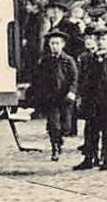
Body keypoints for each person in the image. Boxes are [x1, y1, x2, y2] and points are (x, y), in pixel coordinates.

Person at [73, 26, 107, 171]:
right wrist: (81, 95)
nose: (101, 42)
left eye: (104, 39)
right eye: (98, 39)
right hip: (91, 98)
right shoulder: (88, 57)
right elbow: (83, 77)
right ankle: (89, 157)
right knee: (90, 129)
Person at [26, 30, 77, 161]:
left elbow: (74, 78)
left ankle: (60, 139)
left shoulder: (68, 60)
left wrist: (72, 92)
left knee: (66, 126)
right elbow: (38, 78)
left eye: (57, 43)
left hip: (65, 98)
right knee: (54, 124)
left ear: (63, 44)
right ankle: (55, 147)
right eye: (52, 43)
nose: (54, 46)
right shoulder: (45, 61)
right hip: (51, 98)